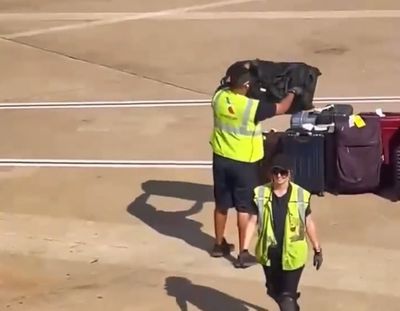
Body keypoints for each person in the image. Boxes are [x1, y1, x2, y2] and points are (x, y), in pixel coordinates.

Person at [209, 61, 303, 268]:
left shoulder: (218, 97)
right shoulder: (252, 107)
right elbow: (282, 107)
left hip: (221, 158)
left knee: (221, 204)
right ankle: (243, 253)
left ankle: (218, 245)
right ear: (244, 86)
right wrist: (293, 92)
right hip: (245, 162)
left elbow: (225, 85)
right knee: (245, 207)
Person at [253, 153, 323, 311]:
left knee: (286, 298)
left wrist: (317, 249)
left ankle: (290, 301)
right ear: (270, 173)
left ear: (290, 173)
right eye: (276, 171)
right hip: (269, 255)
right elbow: (251, 221)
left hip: (293, 255)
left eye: (283, 172)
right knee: (273, 291)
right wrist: (243, 249)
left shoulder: (301, 195)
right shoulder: (261, 193)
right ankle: (291, 302)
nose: (279, 176)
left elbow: (308, 222)